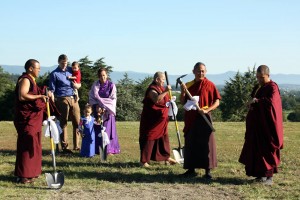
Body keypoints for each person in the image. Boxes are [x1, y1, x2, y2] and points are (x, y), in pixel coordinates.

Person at [239, 65, 284, 185]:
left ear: (268, 75)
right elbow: (254, 100)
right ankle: (260, 176)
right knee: (257, 150)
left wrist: (257, 101)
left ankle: (268, 177)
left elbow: (271, 103)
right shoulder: (260, 87)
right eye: (258, 77)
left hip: (267, 127)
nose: (259, 80)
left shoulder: (272, 87)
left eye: (262, 77)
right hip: (257, 126)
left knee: (266, 150)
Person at [180, 62, 221, 178]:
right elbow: (183, 102)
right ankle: (191, 169)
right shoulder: (188, 85)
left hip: (204, 118)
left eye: (203, 71)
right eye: (198, 71)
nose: (200, 73)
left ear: (206, 72)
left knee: (206, 144)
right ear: (193, 71)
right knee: (191, 142)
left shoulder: (210, 85)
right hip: (191, 118)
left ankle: (208, 171)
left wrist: (207, 110)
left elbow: (217, 101)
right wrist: (183, 91)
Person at [14, 59, 47, 184]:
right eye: (38, 68)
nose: (39, 70)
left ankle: (31, 173)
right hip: (26, 118)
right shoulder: (25, 79)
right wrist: (39, 97)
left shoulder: (32, 80)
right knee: (27, 143)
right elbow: (22, 95)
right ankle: (23, 175)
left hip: (33, 117)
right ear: (30, 69)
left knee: (34, 144)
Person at [139, 71, 177, 167]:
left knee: (163, 138)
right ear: (157, 79)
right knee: (150, 137)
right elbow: (156, 99)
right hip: (151, 119)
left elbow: (165, 100)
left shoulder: (161, 88)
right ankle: (143, 161)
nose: (164, 81)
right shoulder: (152, 89)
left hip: (161, 119)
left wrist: (171, 102)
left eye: (164, 79)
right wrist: (165, 91)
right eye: (162, 79)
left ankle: (166, 158)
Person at [49, 54, 81, 153]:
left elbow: (78, 82)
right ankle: (65, 146)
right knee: (64, 122)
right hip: (62, 98)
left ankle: (76, 145)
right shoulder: (54, 74)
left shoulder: (71, 70)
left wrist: (78, 86)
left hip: (73, 97)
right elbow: (52, 89)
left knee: (77, 121)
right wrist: (53, 100)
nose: (64, 65)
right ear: (59, 62)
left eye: (66, 63)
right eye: (62, 63)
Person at [89, 67, 120, 155]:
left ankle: (109, 149)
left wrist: (105, 107)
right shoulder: (95, 85)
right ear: (98, 76)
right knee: (98, 130)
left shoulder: (111, 85)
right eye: (101, 76)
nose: (103, 77)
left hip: (108, 111)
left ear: (107, 75)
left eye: (104, 75)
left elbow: (113, 99)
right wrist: (97, 105)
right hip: (97, 110)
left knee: (107, 130)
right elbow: (92, 97)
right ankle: (98, 149)